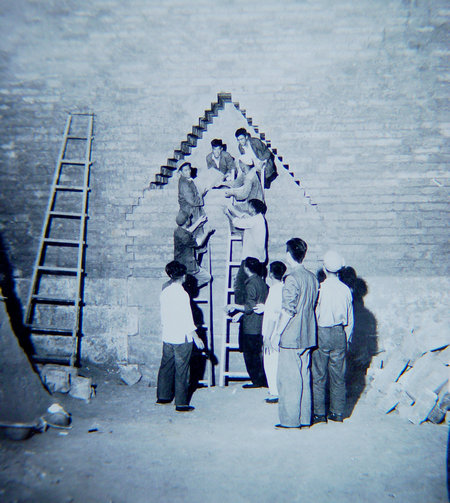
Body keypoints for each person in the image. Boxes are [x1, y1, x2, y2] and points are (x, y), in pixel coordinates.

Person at [271, 238, 318, 429]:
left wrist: (276, 334)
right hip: (308, 334)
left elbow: (288, 310)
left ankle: (290, 420)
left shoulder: (292, 278)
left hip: (291, 336)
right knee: (304, 377)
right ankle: (305, 418)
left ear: (289, 254)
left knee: (289, 379)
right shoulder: (312, 277)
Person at [156, 261, 205, 412]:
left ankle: (163, 397)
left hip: (168, 335)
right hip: (182, 337)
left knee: (166, 366)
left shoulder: (165, 291)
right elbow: (186, 319)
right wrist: (196, 337)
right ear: (183, 276)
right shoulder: (182, 294)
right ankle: (182, 403)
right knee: (182, 369)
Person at [312, 251, 354, 424]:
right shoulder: (346, 290)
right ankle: (337, 413)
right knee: (338, 376)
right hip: (339, 333)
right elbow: (350, 319)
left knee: (319, 375)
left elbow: (315, 314)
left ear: (324, 268)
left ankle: (319, 414)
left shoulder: (320, 289)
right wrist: (347, 339)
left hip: (321, 332)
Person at [226, 257, 268, 388]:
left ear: (246, 268)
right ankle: (261, 381)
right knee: (257, 354)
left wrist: (234, 306)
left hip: (251, 326)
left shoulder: (250, 284)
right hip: (260, 324)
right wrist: (240, 313)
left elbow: (250, 307)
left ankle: (256, 381)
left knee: (250, 355)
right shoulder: (261, 282)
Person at [254, 261, 287, 404]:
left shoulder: (273, 291)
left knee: (270, 362)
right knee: (277, 362)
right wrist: (265, 308)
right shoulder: (283, 288)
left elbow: (273, 316)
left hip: (271, 332)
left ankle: (274, 392)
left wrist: (267, 337)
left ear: (271, 274)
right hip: (279, 332)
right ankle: (277, 389)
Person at [223, 198, 267, 305]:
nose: (247, 208)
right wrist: (231, 208)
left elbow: (238, 223)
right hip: (259, 259)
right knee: (253, 285)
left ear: (253, 208)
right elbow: (243, 216)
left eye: (249, 206)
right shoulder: (259, 218)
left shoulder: (254, 221)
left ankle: (239, 309)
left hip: (250, 259)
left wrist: (228, 214)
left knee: (239, 285)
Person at [173, 210, 214, 289]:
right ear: (187, 221)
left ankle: (186, 287)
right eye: (189, 218)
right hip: (188, 266)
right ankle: (188, 288)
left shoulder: (178, 231)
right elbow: (199, 243)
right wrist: (207, 232)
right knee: (207, 277)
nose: (190, 219)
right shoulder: (185, 237)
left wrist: (198, 221)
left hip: (179, 263)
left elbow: (188, 231)